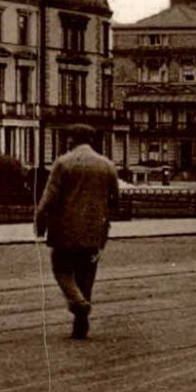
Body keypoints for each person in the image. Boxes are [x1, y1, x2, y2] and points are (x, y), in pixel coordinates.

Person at [34, 124, 120, 340]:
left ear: (72, 140)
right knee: (86, 276)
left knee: (61, 269)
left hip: (64, 230)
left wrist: (40, 224)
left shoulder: (63, 163)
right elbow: (115, 201)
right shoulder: (107, 165)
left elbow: (48, 198)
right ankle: (80, 325)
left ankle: (78, 303)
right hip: (94, 233)